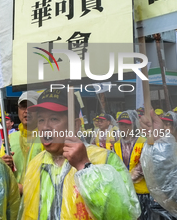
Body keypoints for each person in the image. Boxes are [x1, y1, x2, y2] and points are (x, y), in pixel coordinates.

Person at [18, 89, 140, 219]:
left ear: (75, 125)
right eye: (41, 120)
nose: (45, 127)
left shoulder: (104, 159)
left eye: (54, 119)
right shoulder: (35, 164)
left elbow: (124, 214)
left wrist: (85, 167)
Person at [0, 91, 44, 195]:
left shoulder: (47, 139)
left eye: (31, 107)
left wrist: (24, 189)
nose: (26, 111)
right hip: (14, 202)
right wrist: (2, 164)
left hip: (39, 201)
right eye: (23, 107)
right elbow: (0, 173)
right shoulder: (10, 138)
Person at [114, 110, 151, 220]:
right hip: (124, 192)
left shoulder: (143, 142)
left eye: (127, 124)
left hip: (141, 193)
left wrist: (127, 179)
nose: (124, 127)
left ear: (134, 125)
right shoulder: (116, 145)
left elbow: (144, 166)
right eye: (121, 124)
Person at [140, 110, 177, 218]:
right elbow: (170, 187)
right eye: (164, 124)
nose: (166, 127)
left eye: (168, 124)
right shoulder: (169, 146)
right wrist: (160, 141)